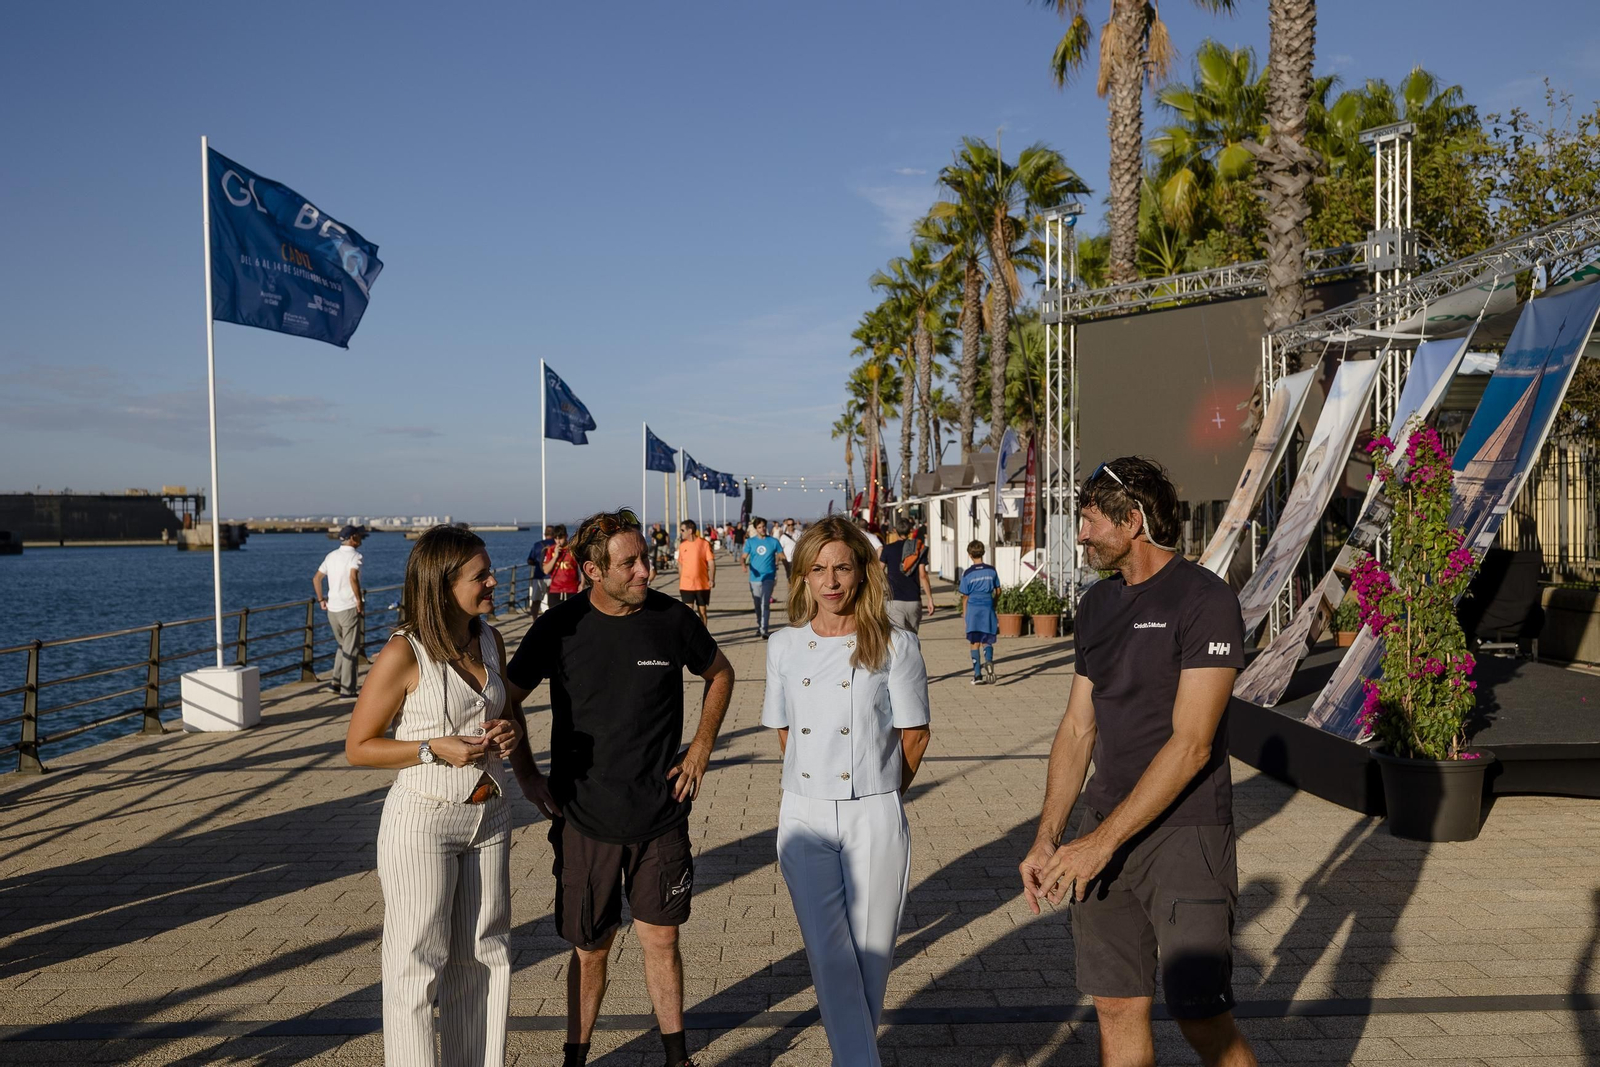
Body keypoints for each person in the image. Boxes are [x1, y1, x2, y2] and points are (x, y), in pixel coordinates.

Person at [1018, 457, 1255, 1067]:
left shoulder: (1206, 600)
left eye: (1092, 520)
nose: (1082, 535)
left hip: (1186, 830)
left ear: (1134, 521)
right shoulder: (1097, 606)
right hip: (1104, 827)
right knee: (1117, 1009)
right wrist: (1049, 838)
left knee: (1202, 1016)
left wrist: (1099, 845)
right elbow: (1078, 727)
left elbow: (1192, 744)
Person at [504, 509, 736, 1067]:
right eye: (629, 563)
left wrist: (701, 747)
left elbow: (721, 672)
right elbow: (507, 697)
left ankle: (678, 1058)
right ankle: (576, 1057)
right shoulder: (559, 628)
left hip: (661, 813)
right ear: (591, 570)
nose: (645, 571)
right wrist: (528, 774)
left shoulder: (671, 619)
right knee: (590, 950)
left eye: (645, 558)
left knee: (662, 940)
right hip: (585, 819)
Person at [344, 525, 526, 1067]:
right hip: (424, 819)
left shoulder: (489, 638)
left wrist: (510, 734)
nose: (494, 580)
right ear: (442, 584)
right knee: (416, 963)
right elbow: (358, 746)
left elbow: (505, 711)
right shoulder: (406, 651)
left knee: (487, 955)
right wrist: (429, 748)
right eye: (481, 575)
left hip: (489, 815)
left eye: (490, 569)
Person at [760, 514, 931, 1067]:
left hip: (875, 812)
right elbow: (785, 730)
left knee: (872, 956)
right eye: (819, 569)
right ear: (803, 578)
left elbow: (915, 734)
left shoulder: (895, 644)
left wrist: (881, 790)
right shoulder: (783, 645)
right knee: (830, 957)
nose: (831, 580)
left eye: (842, 567)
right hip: (804, 812)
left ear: (861, 572)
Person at [313, 525, 366, 698]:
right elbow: (353, 577)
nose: (361, 537)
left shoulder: (331, 556)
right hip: (348, 607)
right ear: (352, 537)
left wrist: (321, 600)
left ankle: (335, 682)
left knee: (342, 645)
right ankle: (348, 689)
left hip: (332, 608)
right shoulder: (356, 556)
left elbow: (317, 578)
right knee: (351, 648)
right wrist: (359, 600)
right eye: (358, 535)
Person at [879, 518, 936, 633]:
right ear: (910, 531)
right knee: (913, 638)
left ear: (895, 531)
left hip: (894, 600)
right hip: (913, 600)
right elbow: (923, 575)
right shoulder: (917, 549)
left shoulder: (888, 549)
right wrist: (930, 599)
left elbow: (878, 571)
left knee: (897, 640)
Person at [957, 540, 1000, 685]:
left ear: (969, 555)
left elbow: (965, 596)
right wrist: (994, 602)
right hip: (988, 606)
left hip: (974, 608)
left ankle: (977, 675)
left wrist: (965, 613)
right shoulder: (991, 570)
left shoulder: (968, 573)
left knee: (974, 641)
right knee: (987, 639)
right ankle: (989, 661)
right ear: (983, 553)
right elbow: (998, 590)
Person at [741, 516, 786, 639]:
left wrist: (790, 568)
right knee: (757, 604)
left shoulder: (773, 541)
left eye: (764, 526)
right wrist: (743, 565)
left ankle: (764, 629)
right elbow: (744, 556)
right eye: (759, 527)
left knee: (765, 603)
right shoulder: (751, 542)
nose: (762, 529)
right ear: (756, 528)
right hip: (754, 578)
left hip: (769, 576)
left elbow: (782, 555)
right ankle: (759, 625)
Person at [676, 519, 715, 627]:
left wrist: (711, 579)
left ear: (690, 530)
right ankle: (691, 638)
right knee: (688, 612)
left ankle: (704, 636)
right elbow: (680, 564)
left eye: (682, 530)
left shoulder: (704, 544)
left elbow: (711, 563)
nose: (681, 532)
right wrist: (681, 579)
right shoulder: (682, 546)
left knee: (702, 612)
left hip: (702, 585)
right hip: (686, 585)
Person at [544, 525, 581, 605]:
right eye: (556, 539)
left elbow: (581, 568)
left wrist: (582, 584)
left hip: (572, 589)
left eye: (560, 538)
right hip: (555, 590)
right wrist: (555, 557)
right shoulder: (551, 550)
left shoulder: (573, 550)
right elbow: (546, 570)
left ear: (566, 536)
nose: (558, 541)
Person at [527, 525, 554, 618]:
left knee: (536, 601)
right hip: (553, 577)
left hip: (539, 576)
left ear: (544, 533)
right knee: (553, 602)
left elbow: (530, 560)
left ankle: (535, 621)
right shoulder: (556, 545)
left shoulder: (537, 545)